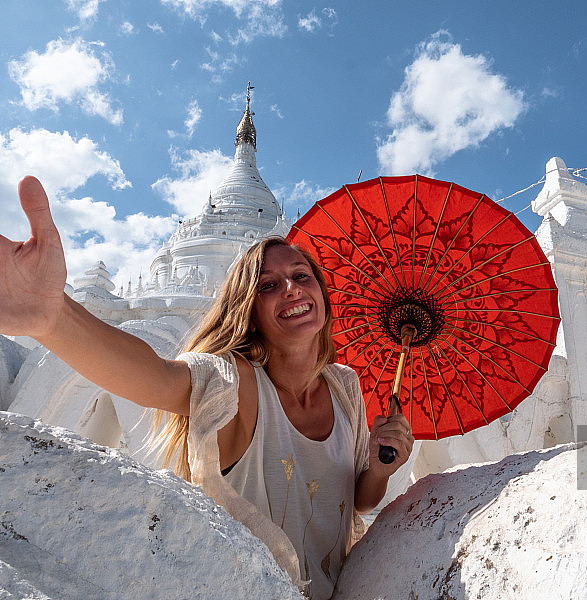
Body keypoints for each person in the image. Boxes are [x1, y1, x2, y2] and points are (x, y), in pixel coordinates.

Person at [0, 176, 414, 599]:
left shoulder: (345, 386)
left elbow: (359, 500)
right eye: (268, 285)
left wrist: (382, 468)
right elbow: (156, 378)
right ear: (249, 311)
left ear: (321, 295)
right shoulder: (235, 383)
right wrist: (55, 318)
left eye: (301, 275)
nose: (291, 288)